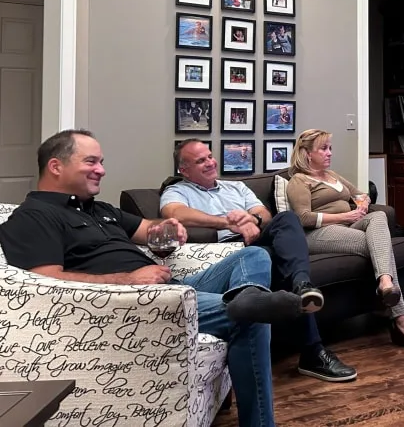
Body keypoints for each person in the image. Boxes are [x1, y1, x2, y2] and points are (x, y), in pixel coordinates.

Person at [0, 130, 303, 427]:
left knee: (253, 255)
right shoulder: (33, 216)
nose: (102, 170)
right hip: (134, 302)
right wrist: (127, 280)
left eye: (101, 161)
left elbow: (150, 230)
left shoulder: (100, 210)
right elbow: (47, 281)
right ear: (56, 166)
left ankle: (247, 295)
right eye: (91, 162)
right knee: (249, 316)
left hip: (171, 289)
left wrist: (168, 229)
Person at [161, 139, 357, 382]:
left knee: (286, 219)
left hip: (257, 241)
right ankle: (313, 352)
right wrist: (228, 222)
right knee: (279, 261)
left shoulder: (235, 188)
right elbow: (175, 213)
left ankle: (302, 285)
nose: (210, 162)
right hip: (228, 253)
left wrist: (251, 219)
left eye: (210, 156)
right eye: (201, 160)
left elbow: (264, 214)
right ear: (184, 169)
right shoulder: (177, 190)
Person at [286, 129, 404, 350]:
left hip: (348, 225)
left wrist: (361, 205)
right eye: (323, 149)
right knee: (379, 246)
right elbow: (303, 217)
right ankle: (402, 320)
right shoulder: (299, 180)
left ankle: (385, 282)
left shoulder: (332, 176)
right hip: (318, 234)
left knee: (379, 216)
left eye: (330, 148)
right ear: (306, 153)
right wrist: (346, 215)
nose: (329, 153)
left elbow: (362, 194)